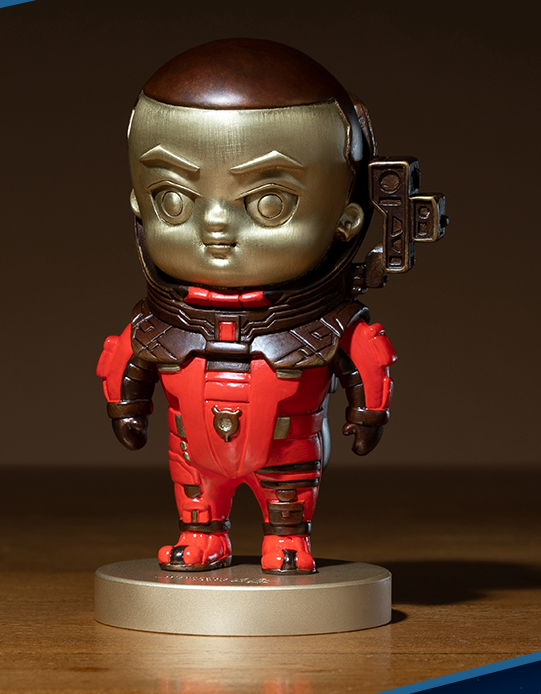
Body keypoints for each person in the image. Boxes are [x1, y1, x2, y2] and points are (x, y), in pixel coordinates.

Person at [97, 39, 395, 574]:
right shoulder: (160, 321)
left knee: (287, 485)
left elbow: (366, 362)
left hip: (288, 439)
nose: (215, 226)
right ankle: (201, 534)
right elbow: (126, 359)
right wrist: (127, 407)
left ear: (347, 219)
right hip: (191, 443)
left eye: (268, 203)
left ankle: (287, 539)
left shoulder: (327, 324)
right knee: (195, 486)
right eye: (174, 199)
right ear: (139, 205)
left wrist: (368, 412)